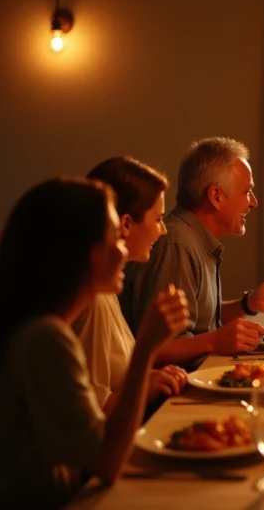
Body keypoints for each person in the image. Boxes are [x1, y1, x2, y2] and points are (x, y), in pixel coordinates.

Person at [0, 178, 188, 506]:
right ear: (88, 253)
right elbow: (106, 462)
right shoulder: (45, 338)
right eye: (115, 236)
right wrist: (146, 348)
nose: (123, 247)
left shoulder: (26, 323)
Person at [120, 137, 264, 369]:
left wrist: (249, 303)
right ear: (215, 196)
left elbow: (200, 320)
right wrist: (214, 341)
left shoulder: (194, 239)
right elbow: (152, 348)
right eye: (247, 191)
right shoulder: (176, 245)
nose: (253, 203)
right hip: (174, 397)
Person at [73, 156, 188, 414]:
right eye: (158, 219)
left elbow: (115, 379)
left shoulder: (107, 285)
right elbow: (92, 412)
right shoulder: (93, 298)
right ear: (125, 224)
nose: (163, 230)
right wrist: (144, 382)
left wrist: (150, 377)